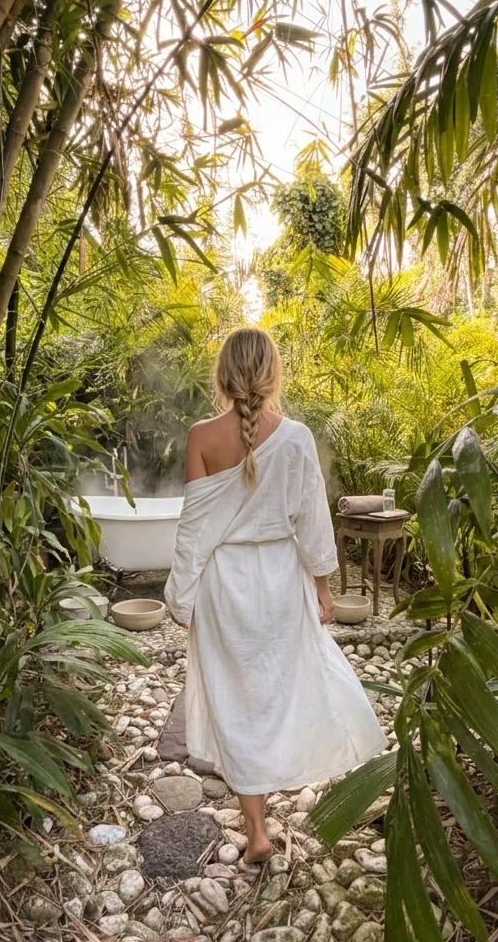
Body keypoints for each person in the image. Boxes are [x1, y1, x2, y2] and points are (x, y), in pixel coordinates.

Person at [164, 327, 387, 864]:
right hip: (281, 580)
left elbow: (193, 531)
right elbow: (312, 521)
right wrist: (323, 587)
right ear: (271, 374)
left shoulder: (200, 437)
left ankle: (257, 832)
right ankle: (286, 774)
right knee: (280, 689)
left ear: (223, 376)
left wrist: (182, 598)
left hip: (224, 584)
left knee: (235, 700)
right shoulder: (297, 437)